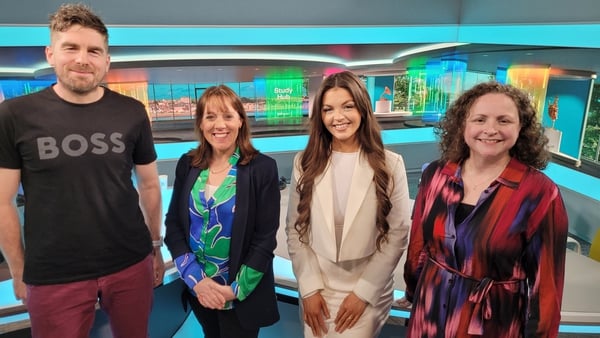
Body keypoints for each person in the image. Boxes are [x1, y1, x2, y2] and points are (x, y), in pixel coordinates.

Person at [0, 3, 165, 337]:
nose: (82, 59)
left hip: (130, 262)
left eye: (94, 50)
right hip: (54, 272)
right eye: (70, 47)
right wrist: (18, 269)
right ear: (50, 53)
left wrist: (155, 247)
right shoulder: (15, 115)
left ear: (106, 60)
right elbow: (2, 201)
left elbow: (148, 185)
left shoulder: (132, 112)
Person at [403, 81, 569, 337]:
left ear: (520, 127)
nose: (490, 130)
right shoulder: (435, 174)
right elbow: (418, 246)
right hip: (429, 312)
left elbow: (546, 289)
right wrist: (413, 293)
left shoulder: (539, 193)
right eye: (479, 119)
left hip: (492, 323)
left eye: (504, 121)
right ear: (463, 125)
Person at [286, 71, 412, 337]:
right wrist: (308, 288)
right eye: (328, 109)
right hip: (317, 284)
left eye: (347, 106)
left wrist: (364, 292)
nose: (338, 117)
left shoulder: (390, 164)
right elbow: (295, 231)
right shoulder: (304, 163)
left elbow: (397, 234)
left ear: (363, 109)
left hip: (366, 285)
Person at [164, 84, 281, 338]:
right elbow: (173, 225)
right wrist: (197, 281)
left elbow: (265, 239)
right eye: (211, 117)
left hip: (239, 295)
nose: (220, 125)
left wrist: (235, 290)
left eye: (228, 116)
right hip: (199, 291)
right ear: (201, 123)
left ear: (240, 120)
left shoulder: (262, 169)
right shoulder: (188, 164)